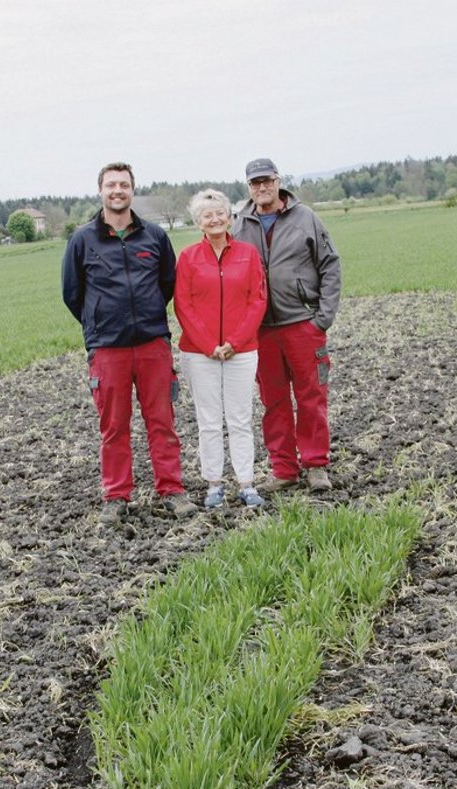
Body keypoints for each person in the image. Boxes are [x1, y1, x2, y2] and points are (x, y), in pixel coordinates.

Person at [62, 162, 199, 524]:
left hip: (153, 344)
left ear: (132, 190)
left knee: (162, 421)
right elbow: (72, 294)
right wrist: (101, 323)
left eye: (124, 184)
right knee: (114, 427)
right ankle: (116, 496)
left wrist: (148, 316)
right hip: (108, 349)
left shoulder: (153, 237)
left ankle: (171, 490)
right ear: (101, 191)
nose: (117, 190)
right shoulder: (83, 240)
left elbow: (167, 283)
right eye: (111, 185)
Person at [233, 157, 343, 493]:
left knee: (311, 397)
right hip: (261, 332)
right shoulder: (239, 224)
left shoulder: (305, 218)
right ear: (248, 187)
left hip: (301, 325)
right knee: (274, 401)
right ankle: (284, 469)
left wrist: (321, 319)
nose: (262, 188)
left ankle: (316, 465)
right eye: (255, 183)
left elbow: (330, 266)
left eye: (267, 180)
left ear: (279, 181)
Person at [173, 189, 269, 510]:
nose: (214, 219)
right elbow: (183, 305)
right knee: (209, 420)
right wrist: (208, 345)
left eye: (219, 213)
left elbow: (257, 300)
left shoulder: (248, 253)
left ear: (229, 216)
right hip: (200, 355)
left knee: (241, 418)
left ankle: (246, 483)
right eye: (207, 214)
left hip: (241, 351)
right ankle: (214, 484)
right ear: (198, 221)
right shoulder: (187, 258)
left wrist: (234, 342)